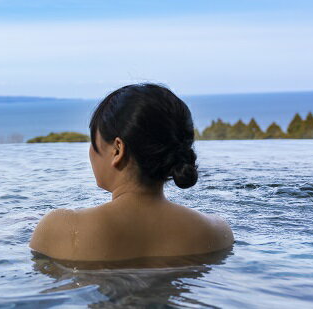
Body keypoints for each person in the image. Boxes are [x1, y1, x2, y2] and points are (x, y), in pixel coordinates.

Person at [30, 84, 233, 262]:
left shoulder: (60, 229)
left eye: (93, 141)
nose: (90, 152)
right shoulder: (217, 232)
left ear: (117, 149)